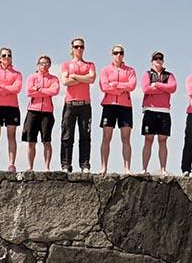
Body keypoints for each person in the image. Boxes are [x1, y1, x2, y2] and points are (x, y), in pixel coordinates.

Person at [99, 44, 136, 174]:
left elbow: (132, 85)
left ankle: (127, 168)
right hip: (109, 106)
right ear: (111, 54)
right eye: (115, 53)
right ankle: (104, 167)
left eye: (120, 53)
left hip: (125, 106)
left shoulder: (130, 70)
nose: (118, 55)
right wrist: (121, 89)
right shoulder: (105, 70)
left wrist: (115, 85)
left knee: (126, 139)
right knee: (106, 138)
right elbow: (104, 87)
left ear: (123, 54)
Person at [60, 38, 96, 173]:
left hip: (85, 105)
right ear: (72, 48)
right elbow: (65, 81)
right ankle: (65, 165)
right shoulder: (66, 64)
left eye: (81, 46)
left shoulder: (90, 64)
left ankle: (85, 165)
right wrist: (83, 78)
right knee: (67, 136)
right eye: (76, 46)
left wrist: (74, 76)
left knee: (85, 136)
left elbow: (91, 79)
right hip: (70, 104)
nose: (79, 49)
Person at [0, 47, 23, 172]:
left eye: (9, 55)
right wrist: (8, 88)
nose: (6, 57)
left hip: (12, 107)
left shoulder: (17, 74)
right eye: (4, 55)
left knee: (11, 136)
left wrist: (1, 87)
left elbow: (17, 88)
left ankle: (11, 164)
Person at [141, 51, 177, 175]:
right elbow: (146, 89)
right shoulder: (147, 74)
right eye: (156, 58)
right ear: (152, 61)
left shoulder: (169, 75)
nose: (158, 60)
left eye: (160, 58)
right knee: (148, 140)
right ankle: (144, 169)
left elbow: (172, 88)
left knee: (162, 141)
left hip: (164, 112)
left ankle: (163, 169)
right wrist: (163, 88)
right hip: (150, 110)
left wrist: (156, 85)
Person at [21, 55, 60, 171]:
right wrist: (45, 92)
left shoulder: (54, 79)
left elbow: (55, 91)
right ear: (38, 65)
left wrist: (38, 89)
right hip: (33, 110)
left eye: (47, 63)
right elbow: (29, 92)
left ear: (50, 65)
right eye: (42, 63)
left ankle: (46, 167)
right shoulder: (31, 77)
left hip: (47, 112)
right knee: (31, 141)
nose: (44, 65)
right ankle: (30, 166)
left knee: (46, 140)